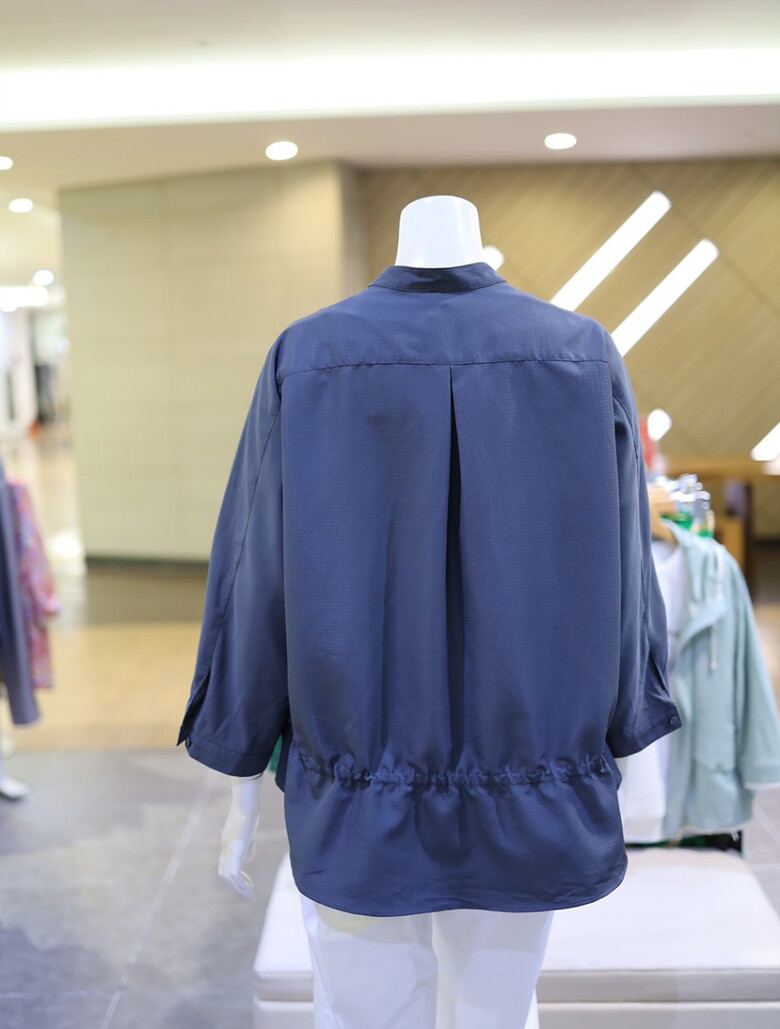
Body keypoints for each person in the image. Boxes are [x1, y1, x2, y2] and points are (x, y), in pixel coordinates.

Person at [179, 195, 681, 1028]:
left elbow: (253, 565)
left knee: (366, 1013)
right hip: (530, 779)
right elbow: (628, 566)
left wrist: (238, 747)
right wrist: (630, 732)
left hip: (358, 783)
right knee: (497, 1013)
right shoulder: (580, 352)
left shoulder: (309, 355)